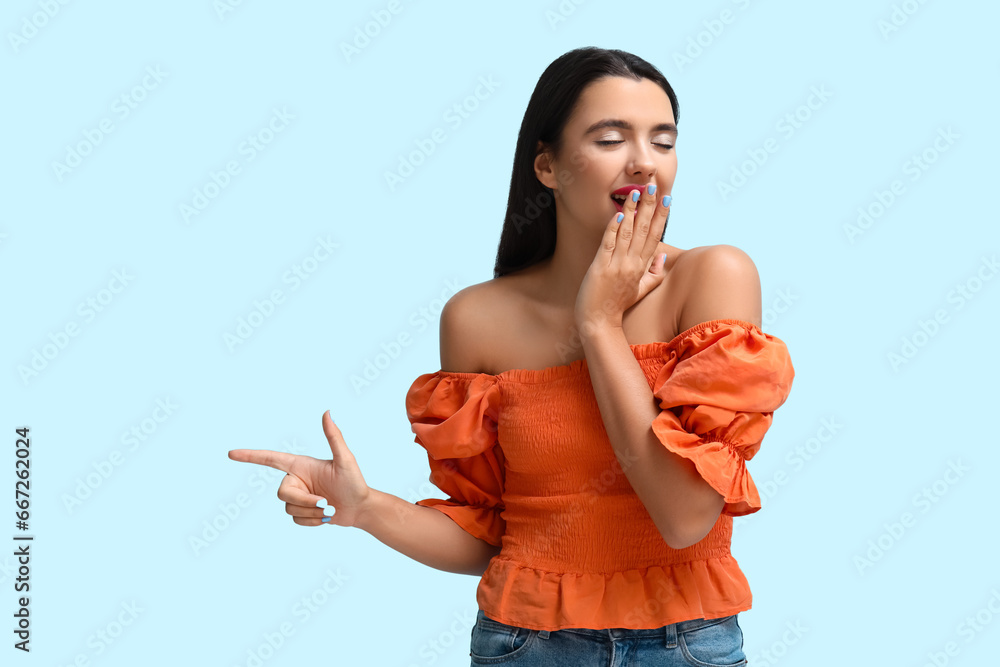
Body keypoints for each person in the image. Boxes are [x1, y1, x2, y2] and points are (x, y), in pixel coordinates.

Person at [229, 46, 795, 666]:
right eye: (611, 138)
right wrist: (365, 507)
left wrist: (598, 323)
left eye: (663, 141)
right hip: (521, 646)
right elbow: (491, 535)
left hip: (684, 645)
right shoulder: (476, 319)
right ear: (547, 166)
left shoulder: (714, 277)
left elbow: (685, 516)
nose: (644, 162)